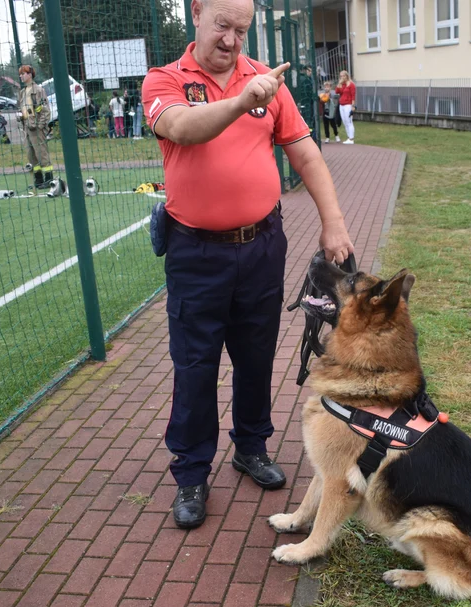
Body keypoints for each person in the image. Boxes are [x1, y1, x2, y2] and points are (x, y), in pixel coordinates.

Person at [142, 0, 354, 529]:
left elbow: (304, 153)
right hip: (196, 252)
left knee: (257, 355)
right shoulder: (164, 81)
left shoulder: (266, 80)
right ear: (197, 13)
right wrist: (241, 102)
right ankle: (191, 472)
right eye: (223, 26)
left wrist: (334, 223)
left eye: (241, 30)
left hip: (261, 245)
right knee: (195, 365)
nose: (232, 40)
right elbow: (185, 129)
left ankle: (250, 446)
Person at [17, 64, 54, 193]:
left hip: (36, 128)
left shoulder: (38, 90)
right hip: (27, 127)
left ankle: (49, 180)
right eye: (20, 74)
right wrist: (21, 117)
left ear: (30, 74)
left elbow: (45, 110)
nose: (21, 76)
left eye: (23, 73)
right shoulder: (22, 92)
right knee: (31, 155)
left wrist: (40, 125)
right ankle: (38, 180)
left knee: (41, 154)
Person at [336, 69, 356, 144]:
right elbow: (337, 91)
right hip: (342, 104)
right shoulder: (342, 85)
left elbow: (353, 95)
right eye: (341, 76)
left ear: (346, 76)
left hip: (348, 104)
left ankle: (351, 138)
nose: (342, 77)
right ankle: (348, 137)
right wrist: (339, 84)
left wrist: (353, 106)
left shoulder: (351, 84)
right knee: (344, 121)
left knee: (349, 121)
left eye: (343, 76)